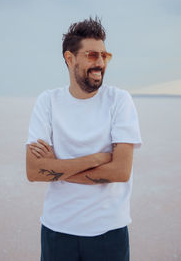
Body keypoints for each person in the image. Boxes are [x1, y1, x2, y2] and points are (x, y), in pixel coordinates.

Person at [26, 17, 142, 261]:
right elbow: (34, 171)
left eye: (104, 55)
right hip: (57, 231)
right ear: (70, 58)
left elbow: (121, 171)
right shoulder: (48, 102)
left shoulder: (119, 101)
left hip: (109, 232)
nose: (100, 63)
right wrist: (98, 158)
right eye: (91, 55)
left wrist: (58, 166)